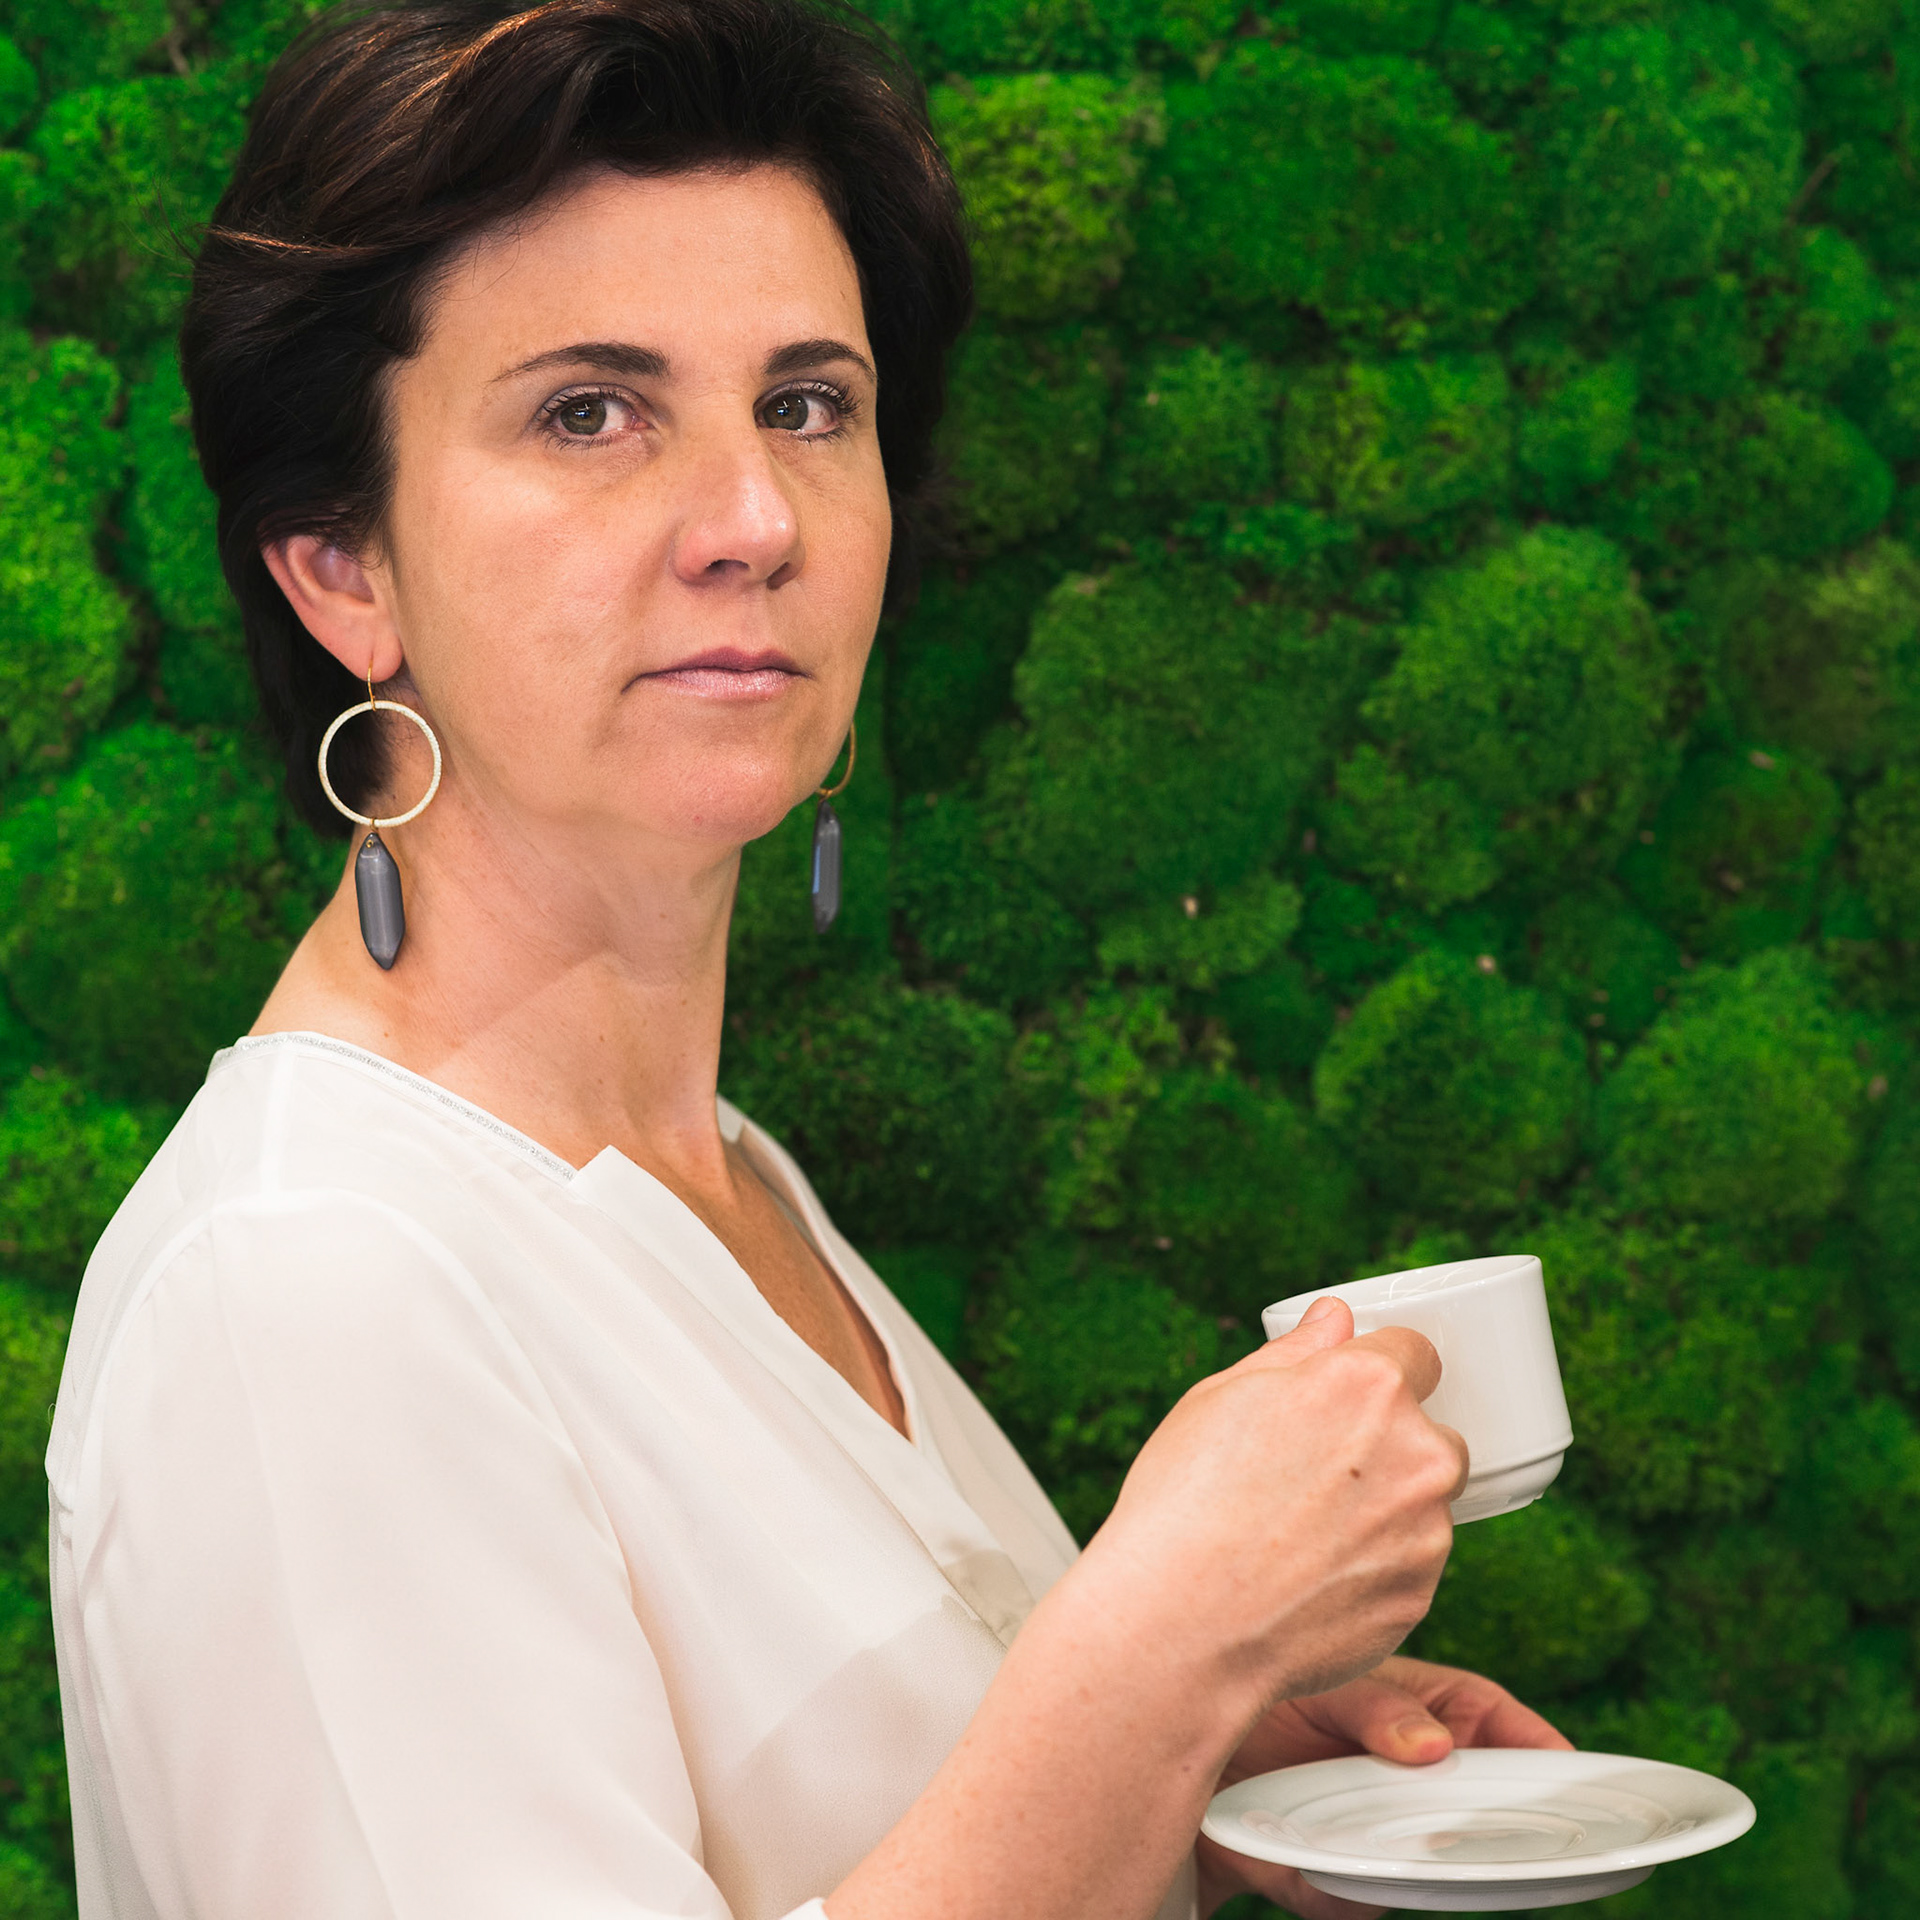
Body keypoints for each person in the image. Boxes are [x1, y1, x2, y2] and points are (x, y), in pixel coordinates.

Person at [45, 3, 1569, 1917]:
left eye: (808, 405)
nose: (755, 521)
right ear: (343, 565)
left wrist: (1200, 1775)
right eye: (589, 412)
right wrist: (1157, 1660)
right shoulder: (306, 1291)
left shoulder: (722, 1172)